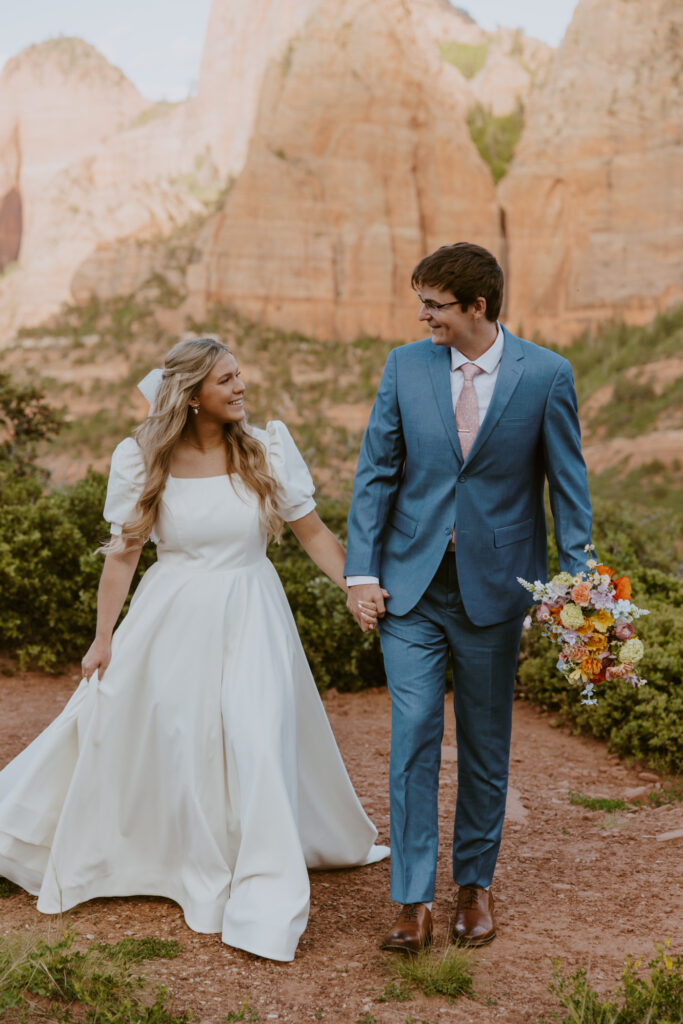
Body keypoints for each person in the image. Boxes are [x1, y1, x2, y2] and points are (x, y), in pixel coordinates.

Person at [0, 337, 388, 963]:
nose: (240, 388)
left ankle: (264, 892)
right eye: (226, 380)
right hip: (171, 617)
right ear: (193, 395)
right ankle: (185, 859)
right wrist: (102, 640)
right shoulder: (141, 457)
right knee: (185, 741)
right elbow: (123, 555)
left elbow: (312, 532)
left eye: (239, 376)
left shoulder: (266, 448)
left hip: (253, 613)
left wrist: (356, 588)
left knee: (257, 735)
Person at [344, 242, 592, 951]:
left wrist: (575, 590)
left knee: (485, 745)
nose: (422, 316)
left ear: (476, 307)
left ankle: (473, 887)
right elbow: (376, 475)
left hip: (495, 590)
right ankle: (411, 899)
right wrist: (362, 571)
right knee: (413, 735)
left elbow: (568, 493)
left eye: (434, 305)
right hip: (411, 588)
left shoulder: (545, 375)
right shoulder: (403, 366)